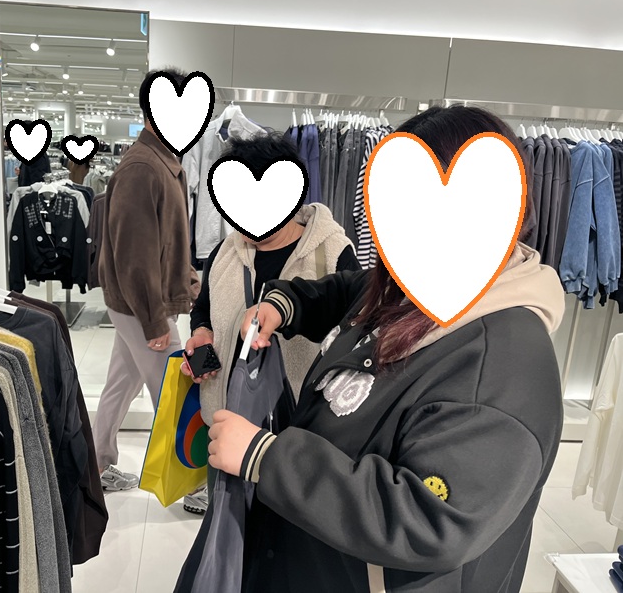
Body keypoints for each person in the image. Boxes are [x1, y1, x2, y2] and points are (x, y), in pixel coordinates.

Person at [204, 105, 566, 592]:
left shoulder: (505, 363)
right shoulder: (419, 284)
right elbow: (350, 290)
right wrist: (285, 304)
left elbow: (430, 520)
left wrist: (267, 459)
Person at [180, 131, 359, 514]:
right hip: (228, 421)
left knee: (287, 531)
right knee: (228, 529)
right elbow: (203, 309)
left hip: (301, 438)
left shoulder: (332, 252)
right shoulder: (225, 252)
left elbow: (355, 332)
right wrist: (202, 334)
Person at [94, 67, 199, 491]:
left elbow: (168, 239)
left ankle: (95, 466)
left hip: (140, 302)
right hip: (142, 305)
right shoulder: (143, 167)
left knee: (120, 386)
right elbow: (133, 254)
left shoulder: (164, 163)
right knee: (174, 392)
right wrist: (155, 321)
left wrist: (189, 281)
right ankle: (190, 485)